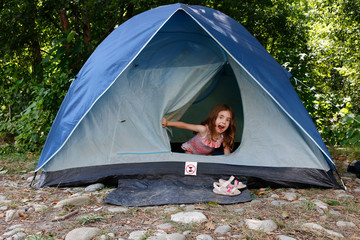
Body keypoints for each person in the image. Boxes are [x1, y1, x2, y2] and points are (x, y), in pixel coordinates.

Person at [162, 104, 236, 155]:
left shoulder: (223, 137)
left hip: (205, 155)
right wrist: (168, 123)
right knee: (189, 163)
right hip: (191, 151)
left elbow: (227, 156)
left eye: (228, 120)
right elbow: (184, 125)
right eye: (221, 117)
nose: (224, 122)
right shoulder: (203, 130)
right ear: (213, 118)